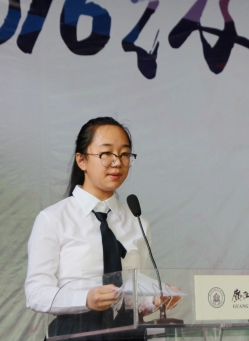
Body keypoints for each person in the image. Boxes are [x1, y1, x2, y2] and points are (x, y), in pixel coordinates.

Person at [25, 117, 152, 340]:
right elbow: (36, 293)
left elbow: (139, 289)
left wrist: (155, 299)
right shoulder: (53, 219)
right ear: (81, 160)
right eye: (106, 153)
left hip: (126, 334)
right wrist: (85, 299)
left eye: (124, 154)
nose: (117, 162)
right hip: (74, 332)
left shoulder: (137, 222)